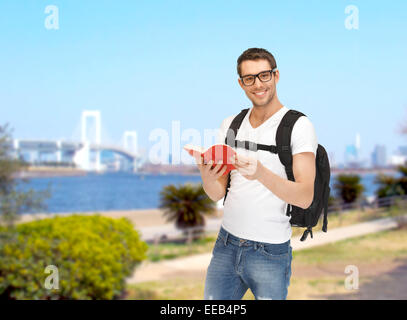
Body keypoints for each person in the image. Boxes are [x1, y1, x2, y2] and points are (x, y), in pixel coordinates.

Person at [194, 48, 318, 300]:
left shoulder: (298, 126)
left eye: (264, 75)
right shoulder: (230, 125)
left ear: (276, 76)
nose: (258, 84)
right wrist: (206, 174)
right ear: (241, 83)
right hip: (226, 246)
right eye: (249, 78)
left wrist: (260, 173)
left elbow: (305, 197)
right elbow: (217, 192)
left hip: (270, 253)